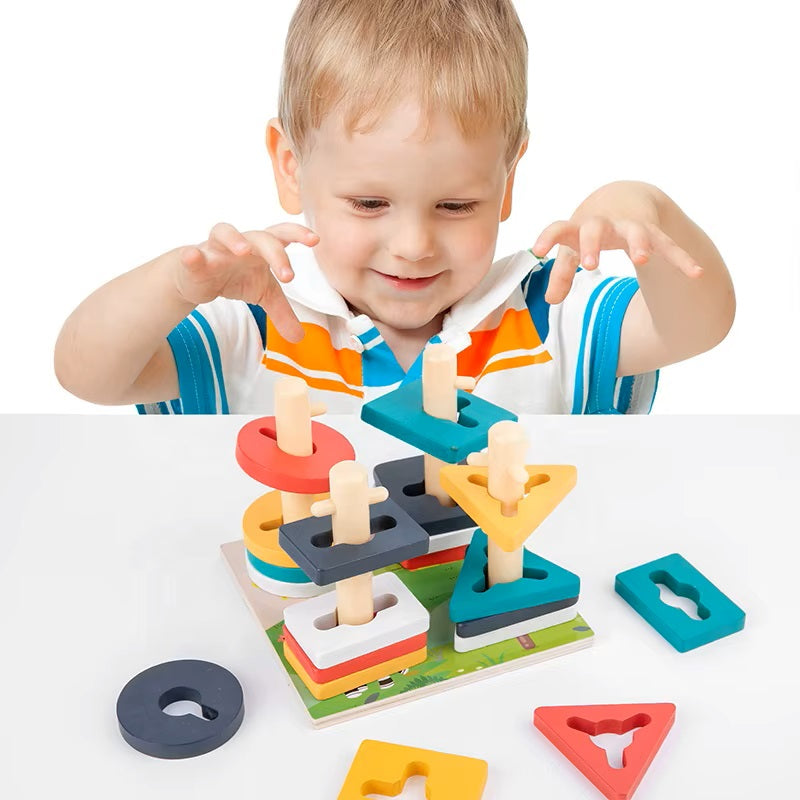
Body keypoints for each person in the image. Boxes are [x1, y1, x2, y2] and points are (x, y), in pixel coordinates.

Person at [54, 0, 734, 416]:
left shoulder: (549, 314)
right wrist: (177, 286)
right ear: (290, 167)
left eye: (456, 204)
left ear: (507, 181)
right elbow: (88, 375)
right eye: (369, 202)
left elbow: (698, 326)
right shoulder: (256, 322)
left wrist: (647, 209)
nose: (413, 244)